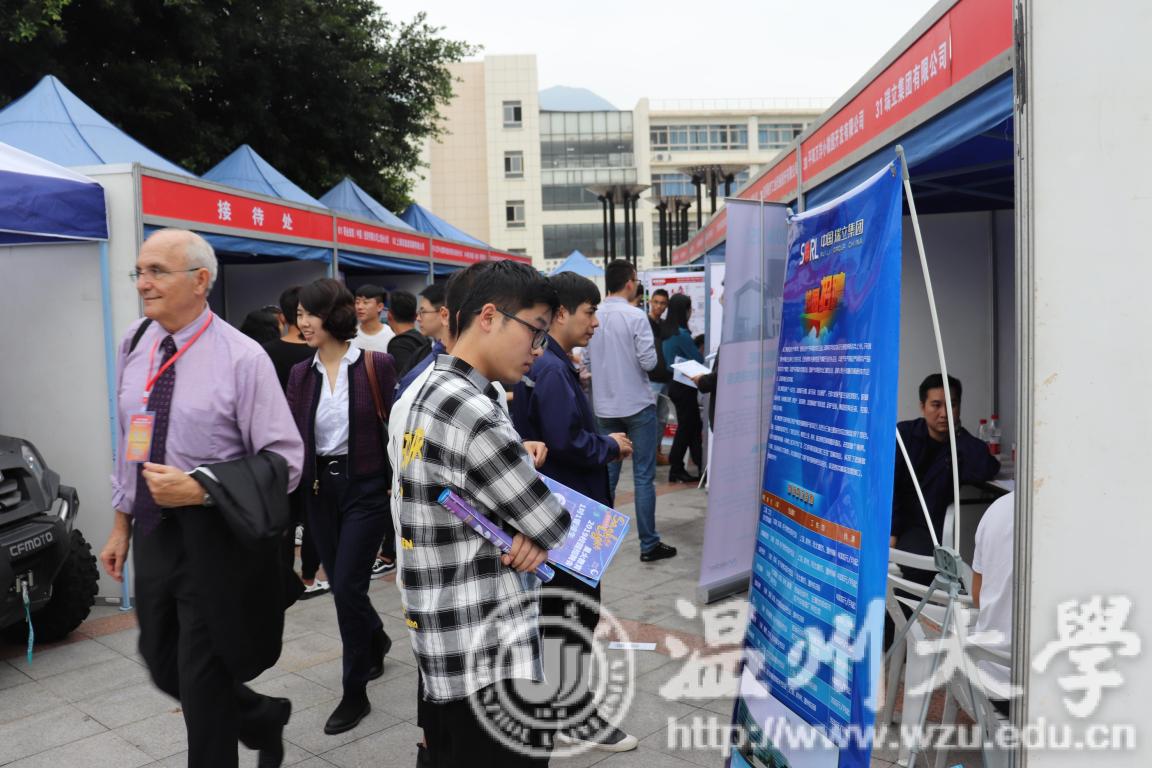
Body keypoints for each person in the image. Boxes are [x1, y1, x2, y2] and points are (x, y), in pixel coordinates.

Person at [99, 228, 304, 768]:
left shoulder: (242, 357)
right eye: (139, 271)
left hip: (216, 537)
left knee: (202, 676)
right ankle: (259, 716)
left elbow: (285, 460)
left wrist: (201, 487)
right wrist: (120, 523)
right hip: (153, 531)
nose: (143, 283)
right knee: (161, 659)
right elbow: (130, 440)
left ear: (200, 280)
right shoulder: (134, 343)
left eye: (157, 272)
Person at [397, 260, 571, 767]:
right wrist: (535, 526)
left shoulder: (433, 388)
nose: (538, 349)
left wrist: (523, 527)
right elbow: (553, 523)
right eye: (535, 330)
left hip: (450, 644)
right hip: (490, 657)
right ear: (490, 316)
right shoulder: (470, 409)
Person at [509, 271, 638, 753]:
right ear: (561, 313)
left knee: (564, 613)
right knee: (573, 613)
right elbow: (565, 441)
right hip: (568, 516)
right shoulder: (552, 369)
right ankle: (573, 713)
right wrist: (609, 445)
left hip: (561, 513)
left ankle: (560, 705)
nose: (595, 322)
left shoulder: (548, 365)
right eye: (589, 312)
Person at [286, 278, 398, 735]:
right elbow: (293, 439)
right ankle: (377, 637)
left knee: (348, 586)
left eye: (309, 313)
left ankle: (355, 692)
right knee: (344, 587)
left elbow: (395, 425)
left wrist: (394, 483)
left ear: (332, 315)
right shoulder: (300, 374)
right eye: (298, 314)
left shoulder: (375, 364)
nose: (303, 322)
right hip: (319, 491)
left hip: (365, 489)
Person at [586, 260, 675, 563]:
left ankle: (600, 545)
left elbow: (587, 361)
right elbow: (649, 363)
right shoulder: (636, 316)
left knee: (608, 476)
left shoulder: (593, 315)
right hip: (637, 403)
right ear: (629, 283)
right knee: (643, 477)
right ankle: (648, 544)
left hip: (605, 406)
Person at [890, 374, 1000, 583]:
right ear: (922, 407)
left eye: (952, 405)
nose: (944, 413)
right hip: (898, 521)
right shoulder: (903, 435)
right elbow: (889, 486)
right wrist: (892, 532)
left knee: (922, 566)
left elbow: (987, 468)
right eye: (936, 405)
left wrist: (957, 434)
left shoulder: (961, 444)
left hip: (930, 526)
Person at [262, 286, 328, 599]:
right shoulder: (319, 354)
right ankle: (309, 576)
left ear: (281, 317)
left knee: (284, 516)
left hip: (275, 445)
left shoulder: (263, 353)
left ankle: (282, 577)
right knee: (313, 513)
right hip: (315, 444)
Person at [971, 490, 1015, 714]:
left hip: (987, 671)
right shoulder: (1070, 520)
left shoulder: (997, 508)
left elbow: (977, 595)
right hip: (1028, 693)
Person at [661, 294, 705, 483]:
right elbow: (698, 358)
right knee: (687, 428)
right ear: (685, 311)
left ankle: (699, 464)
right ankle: (676, 467)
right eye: (689, 309)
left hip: (674, 384)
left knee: (692, 427)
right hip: (685, 386)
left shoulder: (667, 333)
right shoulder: (681, 335)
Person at [385, 290, 430, 377]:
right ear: (416, 315)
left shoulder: (397, 344)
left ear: (389, 316)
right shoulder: (426, 340)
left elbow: (403, 379)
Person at [352, 283, 394, 353]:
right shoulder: (350, 335)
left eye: (365, 302)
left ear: (379, 307)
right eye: (357, 302)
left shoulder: (391, 336)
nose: (359, 307)